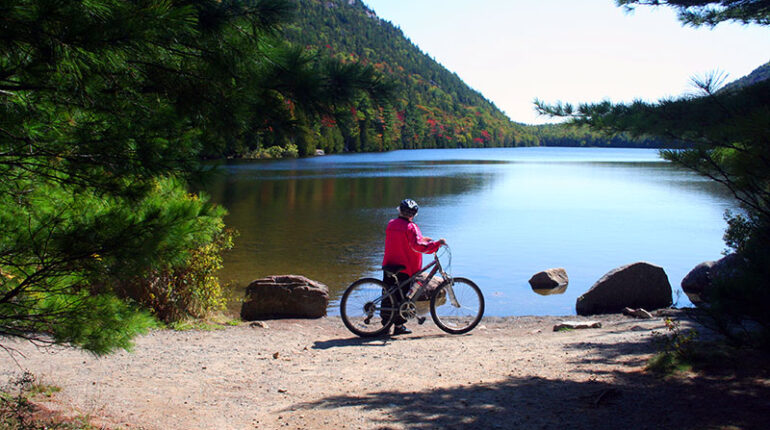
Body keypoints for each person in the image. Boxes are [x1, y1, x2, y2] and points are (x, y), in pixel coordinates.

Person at [381, 198, 445, 335]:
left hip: (389, 264)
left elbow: (404, 240)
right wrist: (436, 245)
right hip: (405, 267)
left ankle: (385, 326)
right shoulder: (411, 227)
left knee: (388, 295)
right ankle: (398, 327)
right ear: (414, 214)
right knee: (402, 297)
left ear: (399, 210)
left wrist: (423, 239)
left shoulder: (391, 224)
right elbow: (416, 246)